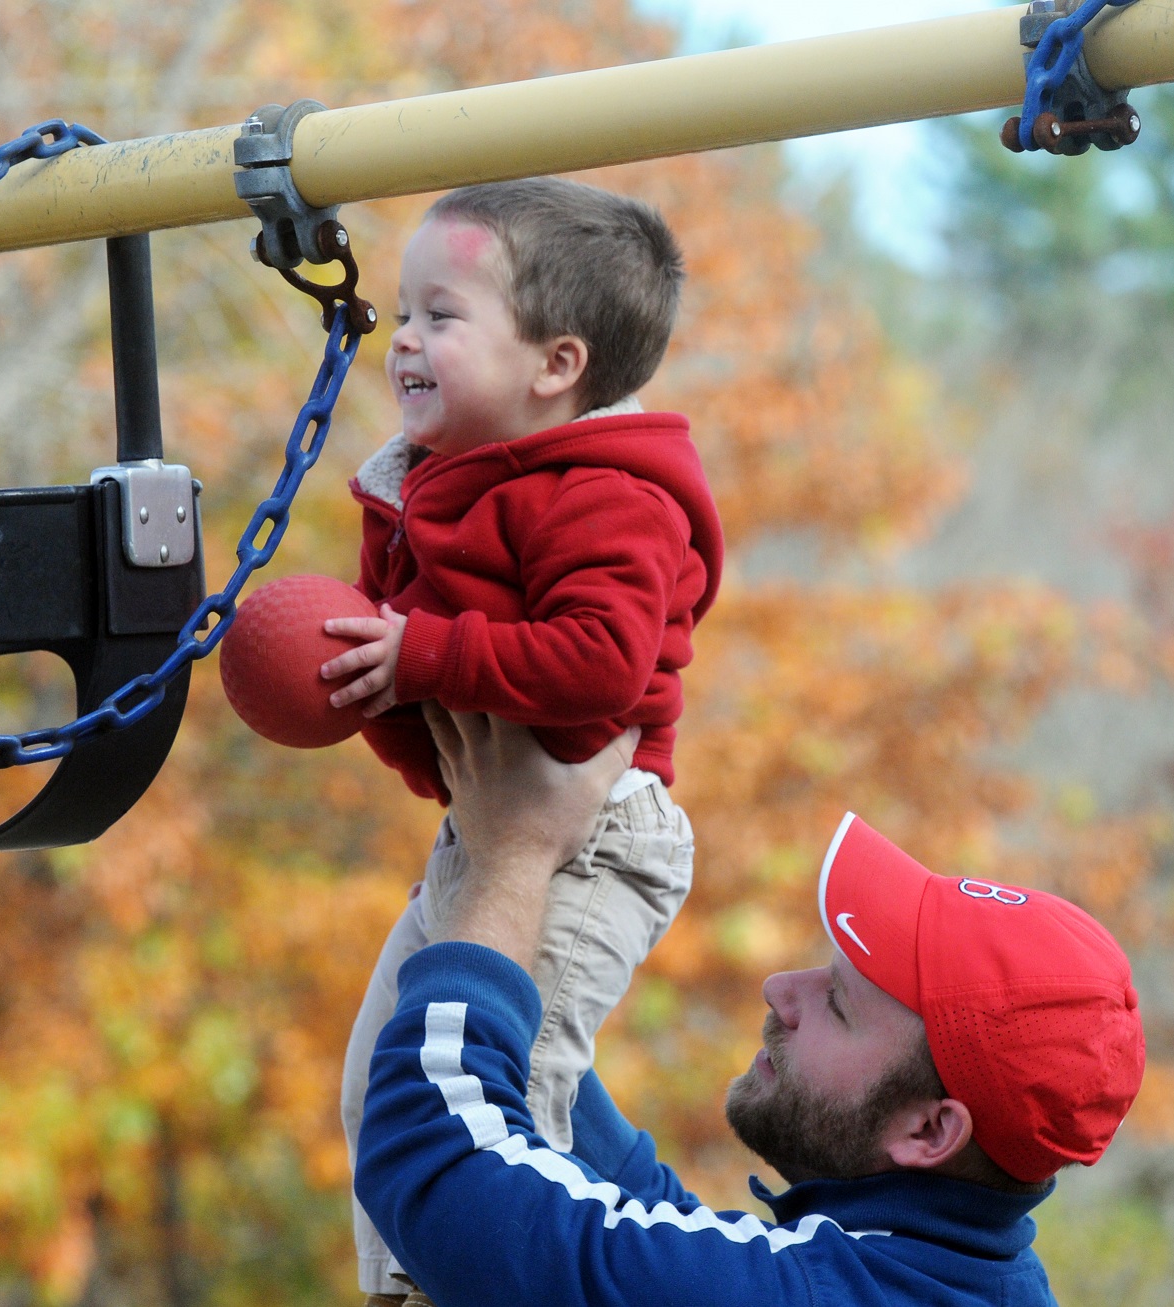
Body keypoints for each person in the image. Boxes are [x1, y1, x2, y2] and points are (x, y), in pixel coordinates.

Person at [354, 706, 1147, 1307]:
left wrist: (515, 856)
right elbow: (652, 1229)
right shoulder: (964, 1274)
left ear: (931, 1129)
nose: (781, 988)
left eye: (838, 1004)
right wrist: (510, 940)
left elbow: (439, 1168)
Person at [320, 176, 726, 1303]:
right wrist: (361, 677)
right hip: (486, 828)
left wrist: (420, 655)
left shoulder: (609, 497)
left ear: (556, 363)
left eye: (439, 316)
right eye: (402, 311)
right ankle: (407, 1284)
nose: (401, 338)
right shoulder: (432, 489)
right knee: (383, 1081)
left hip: (597, 831)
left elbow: (595, 666)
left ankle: (480, 1276)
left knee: (514, 1078)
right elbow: (432, 701)